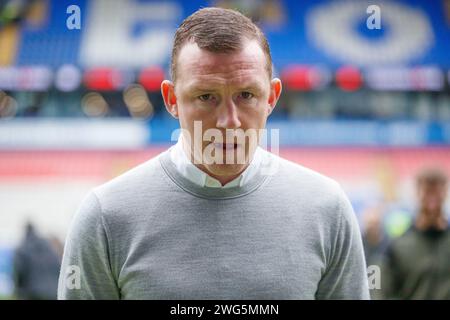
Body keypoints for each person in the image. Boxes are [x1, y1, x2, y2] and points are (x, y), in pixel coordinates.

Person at [58, 7, 369, 300]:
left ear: (272, 97)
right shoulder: (106, 216)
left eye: (246, 95)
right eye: (206, 96)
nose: (228, 120)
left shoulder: (327, 209)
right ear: (171, 99)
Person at [381, 168, 450, 299]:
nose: (432, 200)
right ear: (417, 193)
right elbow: (383, 291)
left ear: (445, 193)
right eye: (427, 192)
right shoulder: (398, 246)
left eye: (437, 192)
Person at [13, 222, 61, 300]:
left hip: (34, 292)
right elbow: (57, 266)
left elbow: (19, 271)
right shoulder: (48, 246)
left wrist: (18, 291)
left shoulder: (23, 247)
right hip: (53, 291)